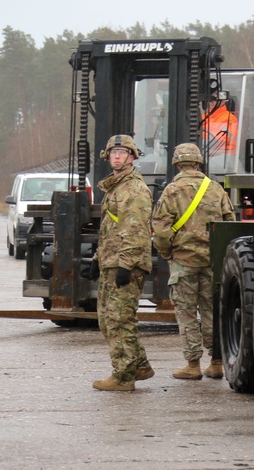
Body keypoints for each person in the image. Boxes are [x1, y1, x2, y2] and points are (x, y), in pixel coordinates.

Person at [151, 143, 235, 380]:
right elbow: (230, 223)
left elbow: (161, 230)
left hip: (183, 261)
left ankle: (192, 364)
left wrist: (168, 253)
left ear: (177, 164)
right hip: (212, 262)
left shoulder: (171, 190)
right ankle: (216, 362)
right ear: (199, 163)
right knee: (211, 311)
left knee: (186, 313)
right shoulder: (217, 189)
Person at [92, 135, 155, 392]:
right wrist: (97, 259)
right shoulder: (116, 187)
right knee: (108, 320)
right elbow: (111, 230)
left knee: (119, 320)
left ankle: (124, 376)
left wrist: (126, 265)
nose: (117, 156)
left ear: (132, 157)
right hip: (112, 261)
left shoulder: (133, 189)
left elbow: (136, 230)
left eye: (123, 152)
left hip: (125, 263)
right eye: (113, 152)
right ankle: (139, 365)